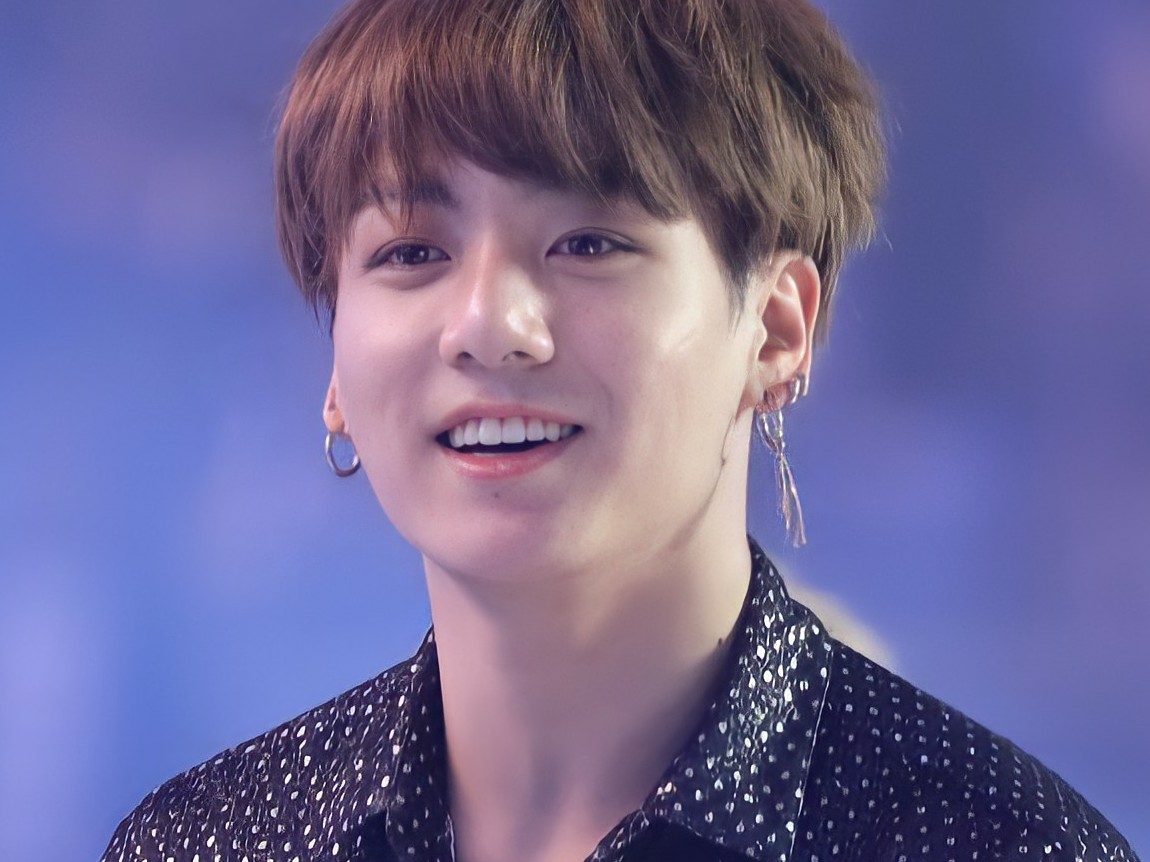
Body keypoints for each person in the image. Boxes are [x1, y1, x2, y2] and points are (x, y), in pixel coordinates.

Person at [102, 0, 1139, 859]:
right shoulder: (212, 839)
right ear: (335, 362)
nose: (487, 325)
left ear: (776, 328)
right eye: (412, 254)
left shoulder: (992, 843)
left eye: (588, 241)